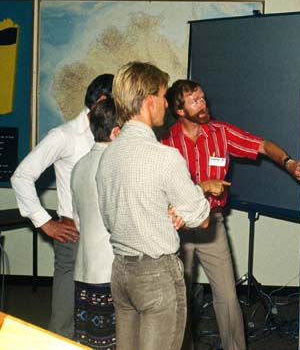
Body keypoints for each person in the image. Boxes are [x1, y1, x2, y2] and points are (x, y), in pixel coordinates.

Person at [161, 79, 300, 350]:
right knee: (177, 298)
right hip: (178, 227)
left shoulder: (221, 132)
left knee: (228, 297)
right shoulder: (165, 143)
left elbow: (263, 146)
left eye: (203, 98)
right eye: (195, 101)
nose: (204, 104)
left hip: (212, 223)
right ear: (180, 110)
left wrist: (289, 164)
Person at [95, 61, 211, 350]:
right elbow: (202, 218)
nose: (165, 104)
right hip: (156, 276)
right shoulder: (164, 157)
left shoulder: (107, 157)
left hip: (121, 272)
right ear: (149, 102)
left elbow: (113, 219)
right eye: (162, 96)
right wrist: (184, 207)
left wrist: (165, 211)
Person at [11, 74, 114, 339]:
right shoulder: (64, 135)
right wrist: (44, 221)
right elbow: (21, 176)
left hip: (111, 237)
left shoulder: (117, 133)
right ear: (101, 100)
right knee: (64, 319)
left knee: (106, 317)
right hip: (75, 235)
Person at [70, 98, 120, 349]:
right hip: (111, 269)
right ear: (117, 131)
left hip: (85, 269)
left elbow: (77, 218)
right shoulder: (114, 165)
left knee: (88, 341)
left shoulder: (79, 165)